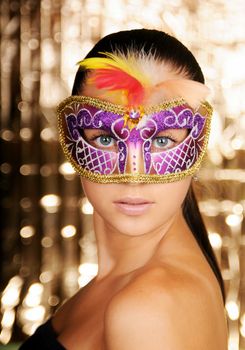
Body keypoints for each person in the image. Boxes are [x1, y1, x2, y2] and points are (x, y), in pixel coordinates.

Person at [20, 29, 228, 350]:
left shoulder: (148, 309)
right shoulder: (136, 284)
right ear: (72, 139)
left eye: (162, 141)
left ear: (197, 143)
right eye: (106, 138)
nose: (133, 176)